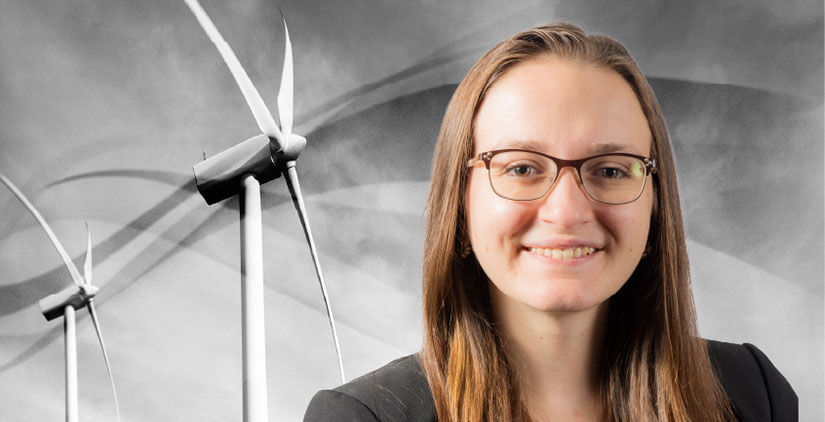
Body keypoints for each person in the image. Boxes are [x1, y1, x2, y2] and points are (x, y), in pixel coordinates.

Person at [303, 23, 797, 422]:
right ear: (461, 203)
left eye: (610, 170)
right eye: (521, 168)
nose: (567, 211)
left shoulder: (753, 394)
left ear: (655, 202)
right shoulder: (362, 417)